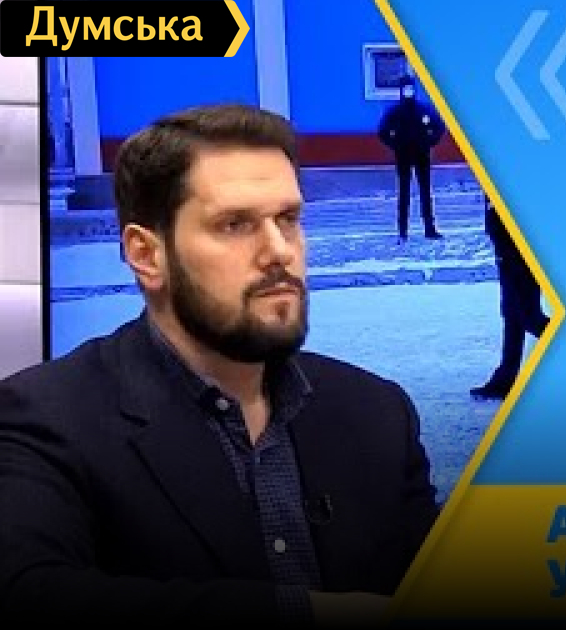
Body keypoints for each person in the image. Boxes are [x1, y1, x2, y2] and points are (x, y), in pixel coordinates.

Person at [0, 104, 440, 627]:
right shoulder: (43, 418)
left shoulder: (377, 412)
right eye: (235, 225)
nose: (279, 252)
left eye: (288, 219)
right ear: (146, 254)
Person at [470, 198, 551, 401]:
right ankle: (504, 381)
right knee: (513, 317)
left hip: (520, 253)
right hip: (507, 252)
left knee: (529, 318)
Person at [377, 75, 446, 242]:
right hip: (403, 156)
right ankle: (402, 231)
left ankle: (429, 228)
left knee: (425, 192)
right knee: (404, 193)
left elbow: (439, 127)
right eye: (405, 88)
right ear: (401, 90)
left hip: (422, 154)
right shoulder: (395, 112)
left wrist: (430, 142)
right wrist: (395, 145)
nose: (408, 91)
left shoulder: (423, 109)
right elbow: (382, 132)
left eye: (410, 88)